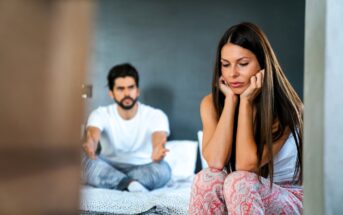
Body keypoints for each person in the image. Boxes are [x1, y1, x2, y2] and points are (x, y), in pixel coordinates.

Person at [188, 22, 303, 214]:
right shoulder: (211, 103)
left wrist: (247, 102)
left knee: (238, 180)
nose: (233, 73)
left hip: (290, 195)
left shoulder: (288, 108)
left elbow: (244, 165)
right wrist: (232, 101)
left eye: (243, 64)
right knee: (205, 178)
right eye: (226, 65)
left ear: (262, 64)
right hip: (242, 195)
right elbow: (215, 162)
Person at [81, 63, 171, 192]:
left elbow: (158, 138)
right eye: (120, 89)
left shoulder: (156, 115)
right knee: (80, 161)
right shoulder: (100, 113)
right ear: (111, 93)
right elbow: (93, 136)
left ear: (137, 90)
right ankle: (131, 184)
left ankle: (120, 182)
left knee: (163, 171)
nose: (127, 93)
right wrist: (90, 144)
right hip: (108, 165)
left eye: (131, 87)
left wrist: (157, 149)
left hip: (143, 167)